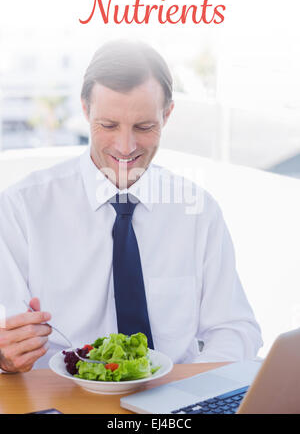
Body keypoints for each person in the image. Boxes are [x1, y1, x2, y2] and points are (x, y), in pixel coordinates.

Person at [0, 40, 263, 373]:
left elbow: (234, 327)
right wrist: (5, 355)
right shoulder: (21, 209)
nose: (126, 147)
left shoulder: (198, 211)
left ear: (167, 115)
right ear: (85, 110)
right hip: (62, 398)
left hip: (174, 401)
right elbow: (6, 335)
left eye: (144, 127)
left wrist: (192, 389)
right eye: (108, 126)